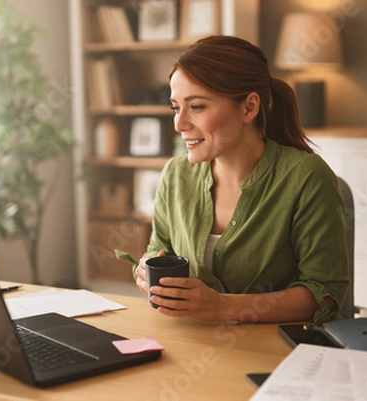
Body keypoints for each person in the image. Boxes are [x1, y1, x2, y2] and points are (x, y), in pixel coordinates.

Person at [129, 35, 348, 324]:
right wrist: (145, 268)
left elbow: (325, 294)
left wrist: (223, 307)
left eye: (196, 107)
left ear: (248, 107)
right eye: (175, 107)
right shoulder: (175, 175)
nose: (179, 124)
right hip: (189, 341)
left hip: (271, 352)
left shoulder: (307, 177)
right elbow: (160, 248)